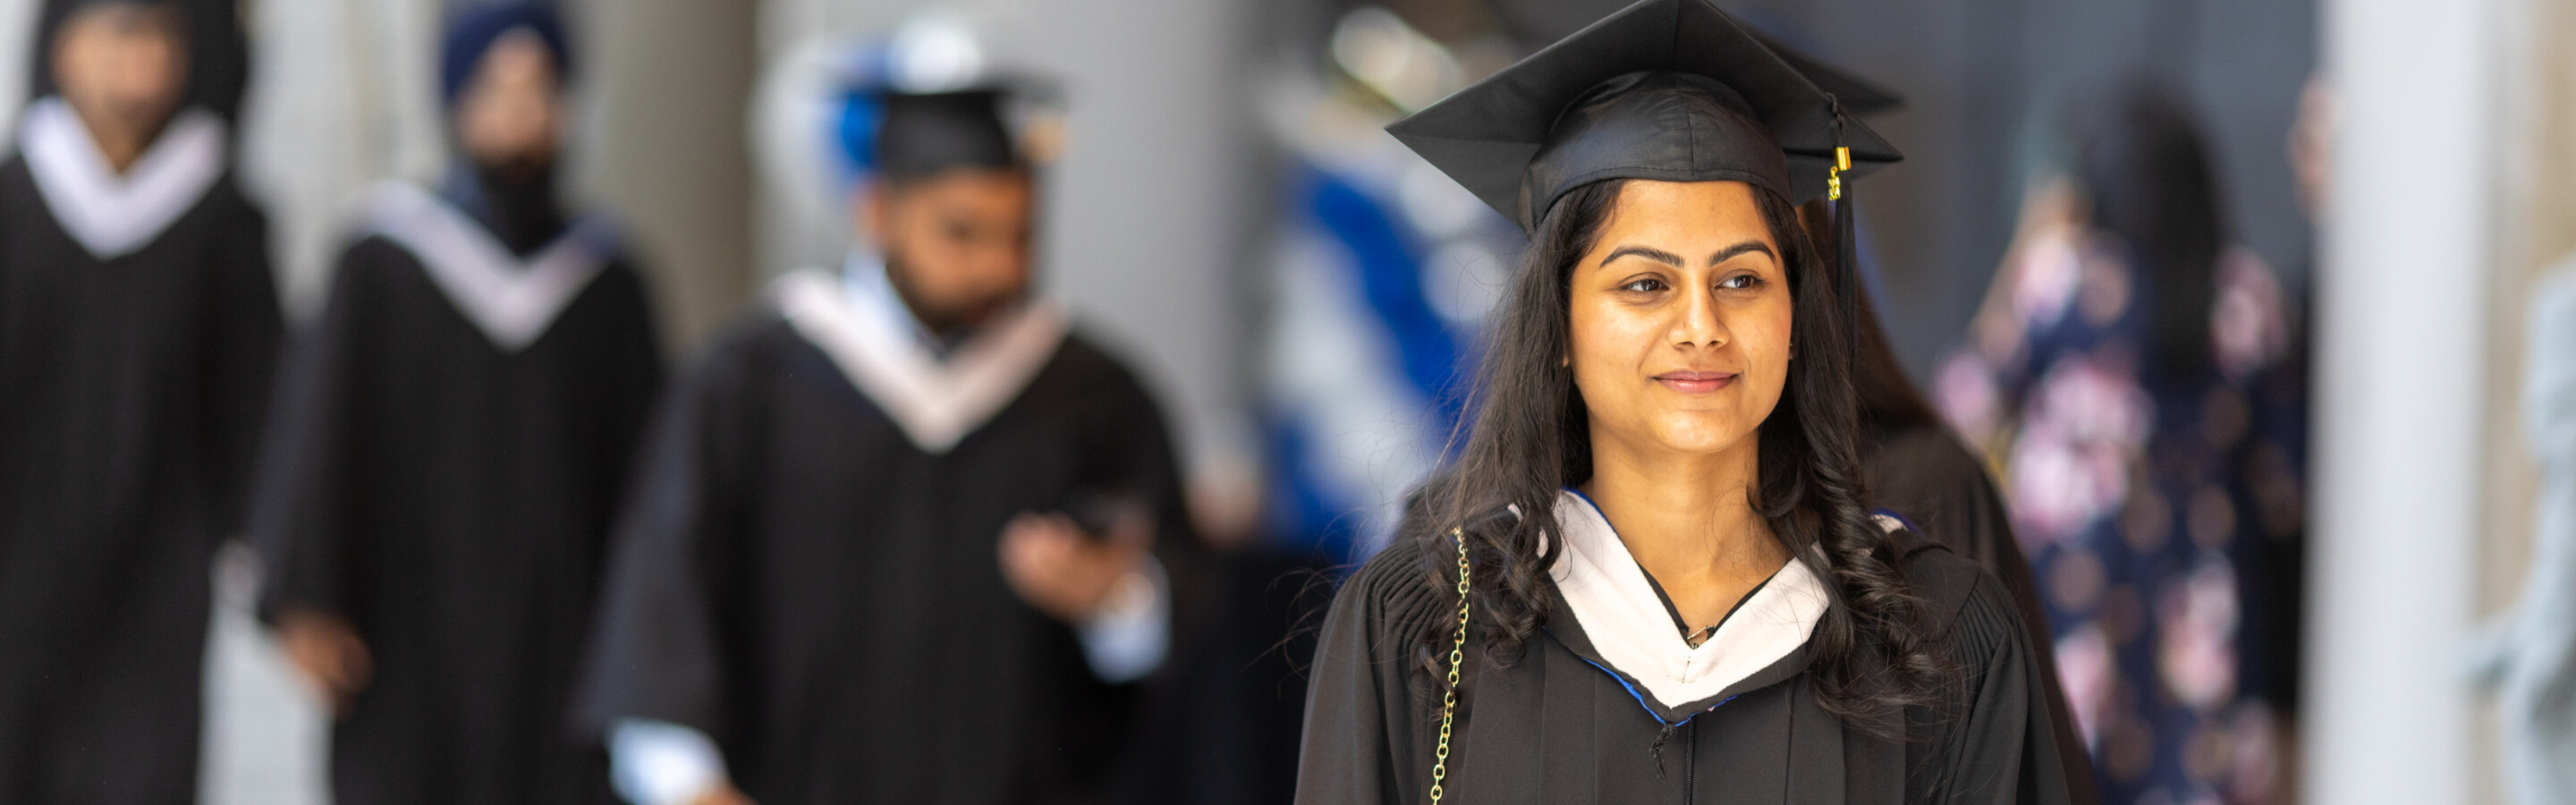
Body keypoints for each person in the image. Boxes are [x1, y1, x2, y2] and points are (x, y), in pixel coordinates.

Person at [1294, 0, 2080, 801]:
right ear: (1559, 325)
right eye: (1645, 284)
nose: (1701, 326)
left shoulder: (1940, 634)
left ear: (1796, 319)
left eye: (1742, 279)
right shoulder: (1425, 623)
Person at [573, 68, 1204, 805]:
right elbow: (663, 605)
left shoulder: (1089, 395)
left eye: (1020, 234)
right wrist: (690, 784)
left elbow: (1176, 611)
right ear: (876, 211)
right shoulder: (751, 382)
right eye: (961, 232)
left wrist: (1118, 598)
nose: (998, 266)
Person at [248, 5, 661, 805]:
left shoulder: (609, 280)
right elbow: (324, 434)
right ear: (453, 100)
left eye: (541, 88)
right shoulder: (384, 260)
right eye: (494, 90)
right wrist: (309, 597)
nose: (519, 115)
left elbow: (650, 478)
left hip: (561, 640)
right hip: (406, 635)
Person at [1933, 84, 2304, 804]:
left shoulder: (2061, 283)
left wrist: (2026, 245)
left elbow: (1963, 406)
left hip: (2066, 593)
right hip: (2200, 606)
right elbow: (2282, 491)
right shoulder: (2247, 303)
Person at [0, 0, 280, 801]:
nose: (137, 62)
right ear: (61, 48)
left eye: (159, 36)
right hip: (15, 575)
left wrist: (270, 557)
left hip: (159, 583)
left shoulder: (222, 220)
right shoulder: (14, 204)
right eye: (116, 33)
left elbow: (256, 406)